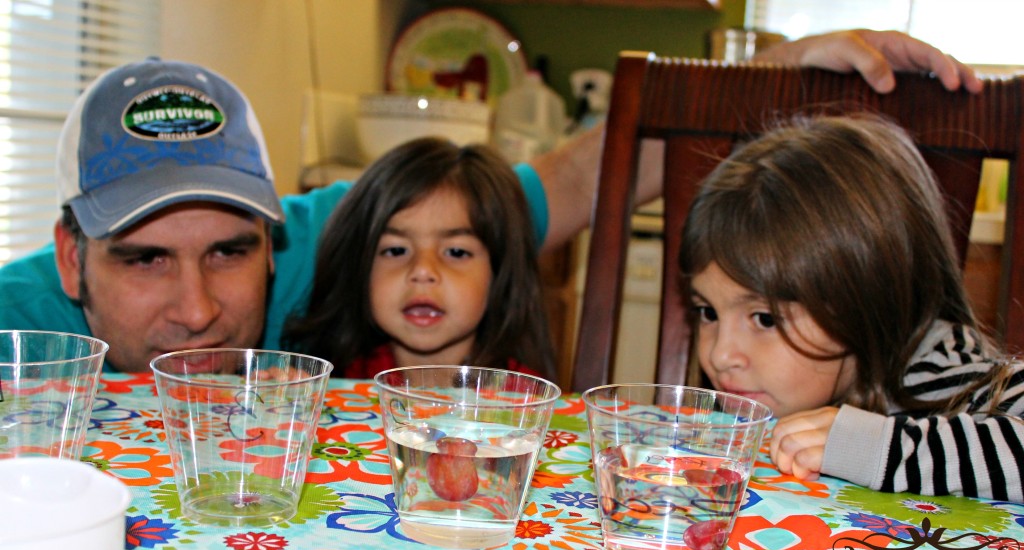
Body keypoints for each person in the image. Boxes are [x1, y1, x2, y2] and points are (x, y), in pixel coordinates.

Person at [0, 30, 983, 372]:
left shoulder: (320, 243)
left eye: (228, 251)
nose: (199, 307)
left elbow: (555, 186)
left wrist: (773, 69)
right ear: (72, 254)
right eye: (142, 259)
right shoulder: (15, 322)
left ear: (273, 235)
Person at [677, 114, 1024, 503]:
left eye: (766, 318)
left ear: (867, 298)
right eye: (708, 312)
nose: (721, 355)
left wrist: (877, 450)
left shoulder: (936, 371)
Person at [284, 137, 555, 379]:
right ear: (360, 269)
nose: (423, 270)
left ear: (499, 273)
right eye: (396, 250)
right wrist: (278, 400)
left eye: (456, 252)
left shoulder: (527, 403)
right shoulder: (330, 389)